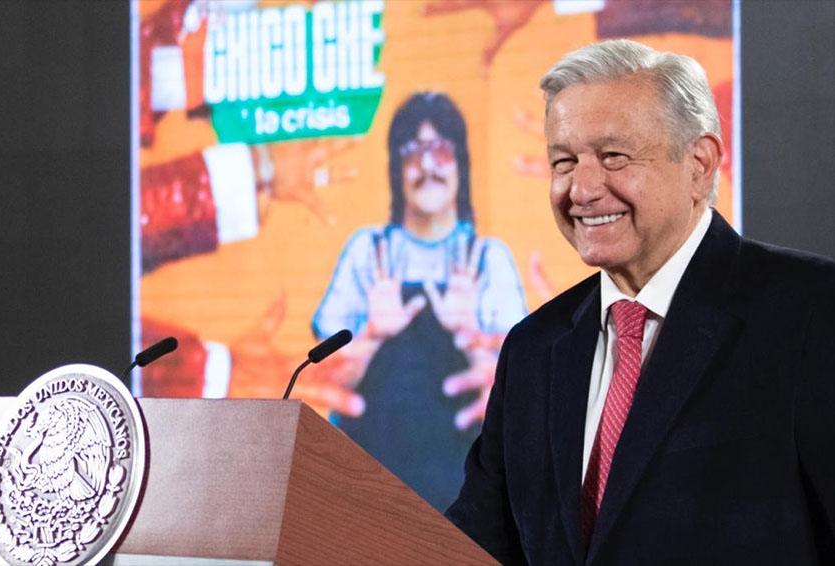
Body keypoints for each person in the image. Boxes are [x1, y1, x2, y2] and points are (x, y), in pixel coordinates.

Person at [446, 39, 834, 565]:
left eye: (613, 157)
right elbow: (474, 546)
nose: (581, 189)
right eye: (564, 163)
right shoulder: (533, 349)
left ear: (700, 164)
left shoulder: (809, 311)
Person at [312, 92, 526, 510]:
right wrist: (371, 336)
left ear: (462, 163)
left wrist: (471, 338)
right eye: (412, 151)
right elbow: (323, 386)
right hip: (365, 495)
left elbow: (522, 397)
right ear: (396, 168)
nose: (427, 165)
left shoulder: (489, 259)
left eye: (440, 149)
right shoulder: (366, 252)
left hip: (469, 502)